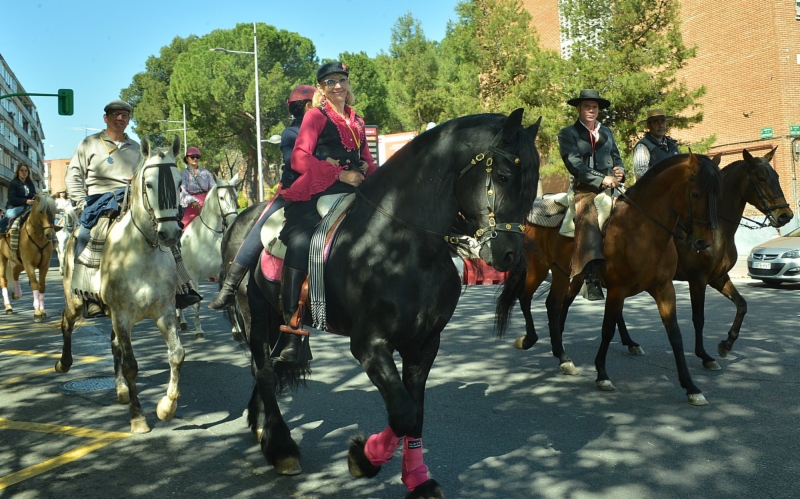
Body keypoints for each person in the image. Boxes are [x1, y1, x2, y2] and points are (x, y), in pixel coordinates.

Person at [272, 62, 379, 362]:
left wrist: (368, 171)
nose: (337, 86)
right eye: (329, 82)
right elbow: (299, 159)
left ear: (348, 83)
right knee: (302, 242)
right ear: (320, 88)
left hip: (354, 191)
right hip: (317, 191)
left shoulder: (357, 120)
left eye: (341, 80)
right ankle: (291, 329)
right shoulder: (314, 117)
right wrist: (340, 175)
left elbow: (369, 160)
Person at [65, 99, 201, 317]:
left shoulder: (137, 148)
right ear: (106, 118)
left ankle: (179, 287)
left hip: (130, 201)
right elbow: (73, 176)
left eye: (125, 115)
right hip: (99, 203)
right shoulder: (89, 144)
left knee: (166, 235)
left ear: (128, 120)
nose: (120, 118)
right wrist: (82, 202)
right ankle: (88, 294)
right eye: (116, 114)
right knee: (84, 236)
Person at [209, 84, 317, 311]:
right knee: (260, 226)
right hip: (293, 191)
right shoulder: (291, 133)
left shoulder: (323, 129)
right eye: (318, 103)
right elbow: (294, 163)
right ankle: (230, 286)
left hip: (326, 187)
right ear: (308, 106)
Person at [558, 89, 625, 301]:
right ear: (578, 109)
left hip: (611, 186)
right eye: (587, 106)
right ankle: (591, 278)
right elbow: (574, 164)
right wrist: (601, 179)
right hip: (584, 189)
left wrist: (620, 171)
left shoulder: (607, 132)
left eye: (594, 107)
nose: (591, 110)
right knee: (589, 216)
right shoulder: (567, 134)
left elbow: (617, 158)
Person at [1, 163, 38, 255]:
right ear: (18, 172)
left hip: (28, 207)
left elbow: (34, 196)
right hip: (13, 208)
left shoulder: (30, 183)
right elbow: (12, 199)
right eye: (22, 170)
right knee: (14, 224)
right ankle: (13, 248)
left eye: (26, 171)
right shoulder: (13, 183)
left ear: (28, 172)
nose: (24, 172)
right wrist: (26, 201)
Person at [632, 108, 680, 180]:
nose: (661, 125)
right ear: (649, 125)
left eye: (662, 121)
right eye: (656, 122)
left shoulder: (672, 144)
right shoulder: (643, 146)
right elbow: (640, 172)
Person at [179, 146, 215, 228]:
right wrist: (193, 201)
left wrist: (210, 198)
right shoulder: (182, 174)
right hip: (191, 205)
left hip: (207, 202)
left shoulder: (205, 172)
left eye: (197, 157)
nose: (195, 159)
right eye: (192, 157)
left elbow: (213, 187)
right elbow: (182, 191)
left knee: (222, 222)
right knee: (183, 226)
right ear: (187, 158)